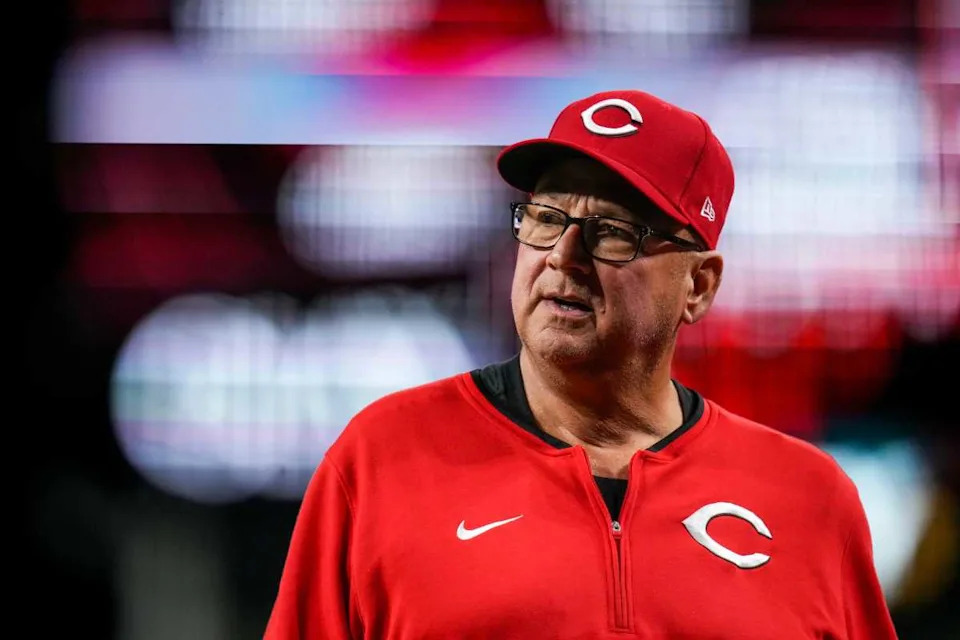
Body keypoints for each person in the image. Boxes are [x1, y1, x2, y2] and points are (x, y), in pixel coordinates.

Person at [264, 90, 897, 639]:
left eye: (613, 232)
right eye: (544, 218)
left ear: (698, 286)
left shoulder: (808, 499)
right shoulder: (381, 458)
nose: (563, 255)